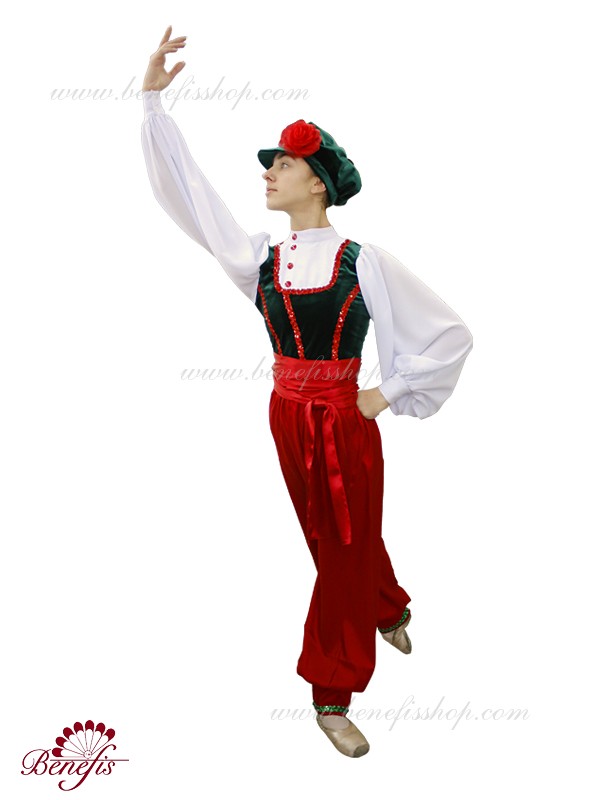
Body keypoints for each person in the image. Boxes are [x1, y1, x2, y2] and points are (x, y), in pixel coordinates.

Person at [141, 26, 473, 758]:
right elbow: (194, 201)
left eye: (284, 163)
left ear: (317, 180)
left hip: (344, 420)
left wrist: (385, 394)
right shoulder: (259, 258)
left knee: (343, 544)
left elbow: (450, 334)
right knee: (331, 539)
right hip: (285, 416)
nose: (269, 172)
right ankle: (386, 605)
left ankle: (331, 691)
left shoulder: (364, 260)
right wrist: (153, 108)